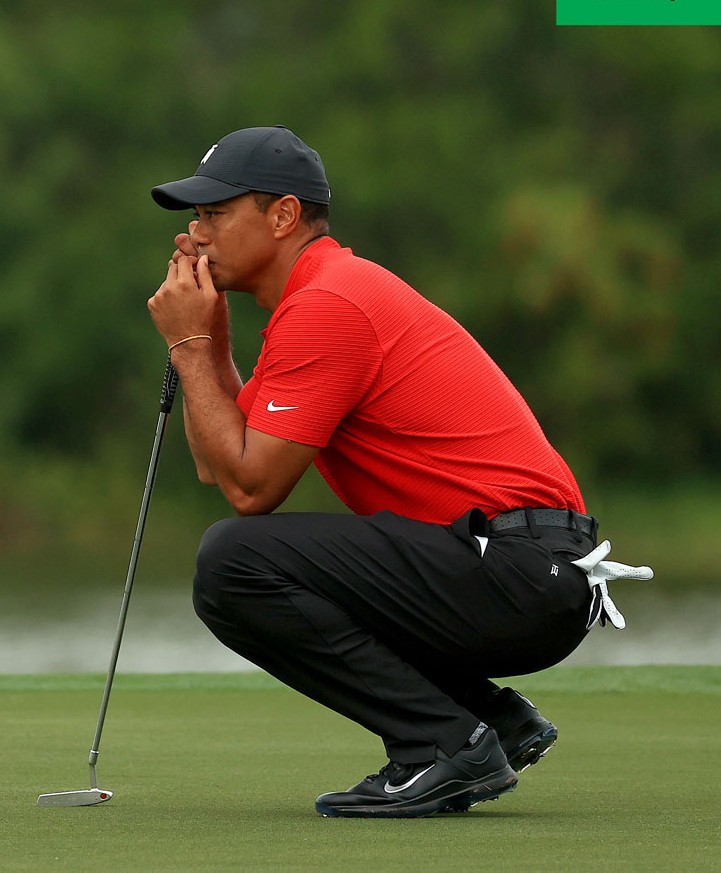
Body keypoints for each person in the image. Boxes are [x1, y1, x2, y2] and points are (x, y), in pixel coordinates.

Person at [145, 126, 650, 818]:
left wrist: (190, 342)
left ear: (283, 215)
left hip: (520, 569)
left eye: (214, 213)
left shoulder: (327, 304)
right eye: (195, 218)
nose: (196, 234)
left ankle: (444, 742)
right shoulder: (318, 297)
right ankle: (487, 719)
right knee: (251, 559)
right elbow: (220, 460)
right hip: (524, 569)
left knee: (233, 562)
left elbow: (249, 489)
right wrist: (210, 337)